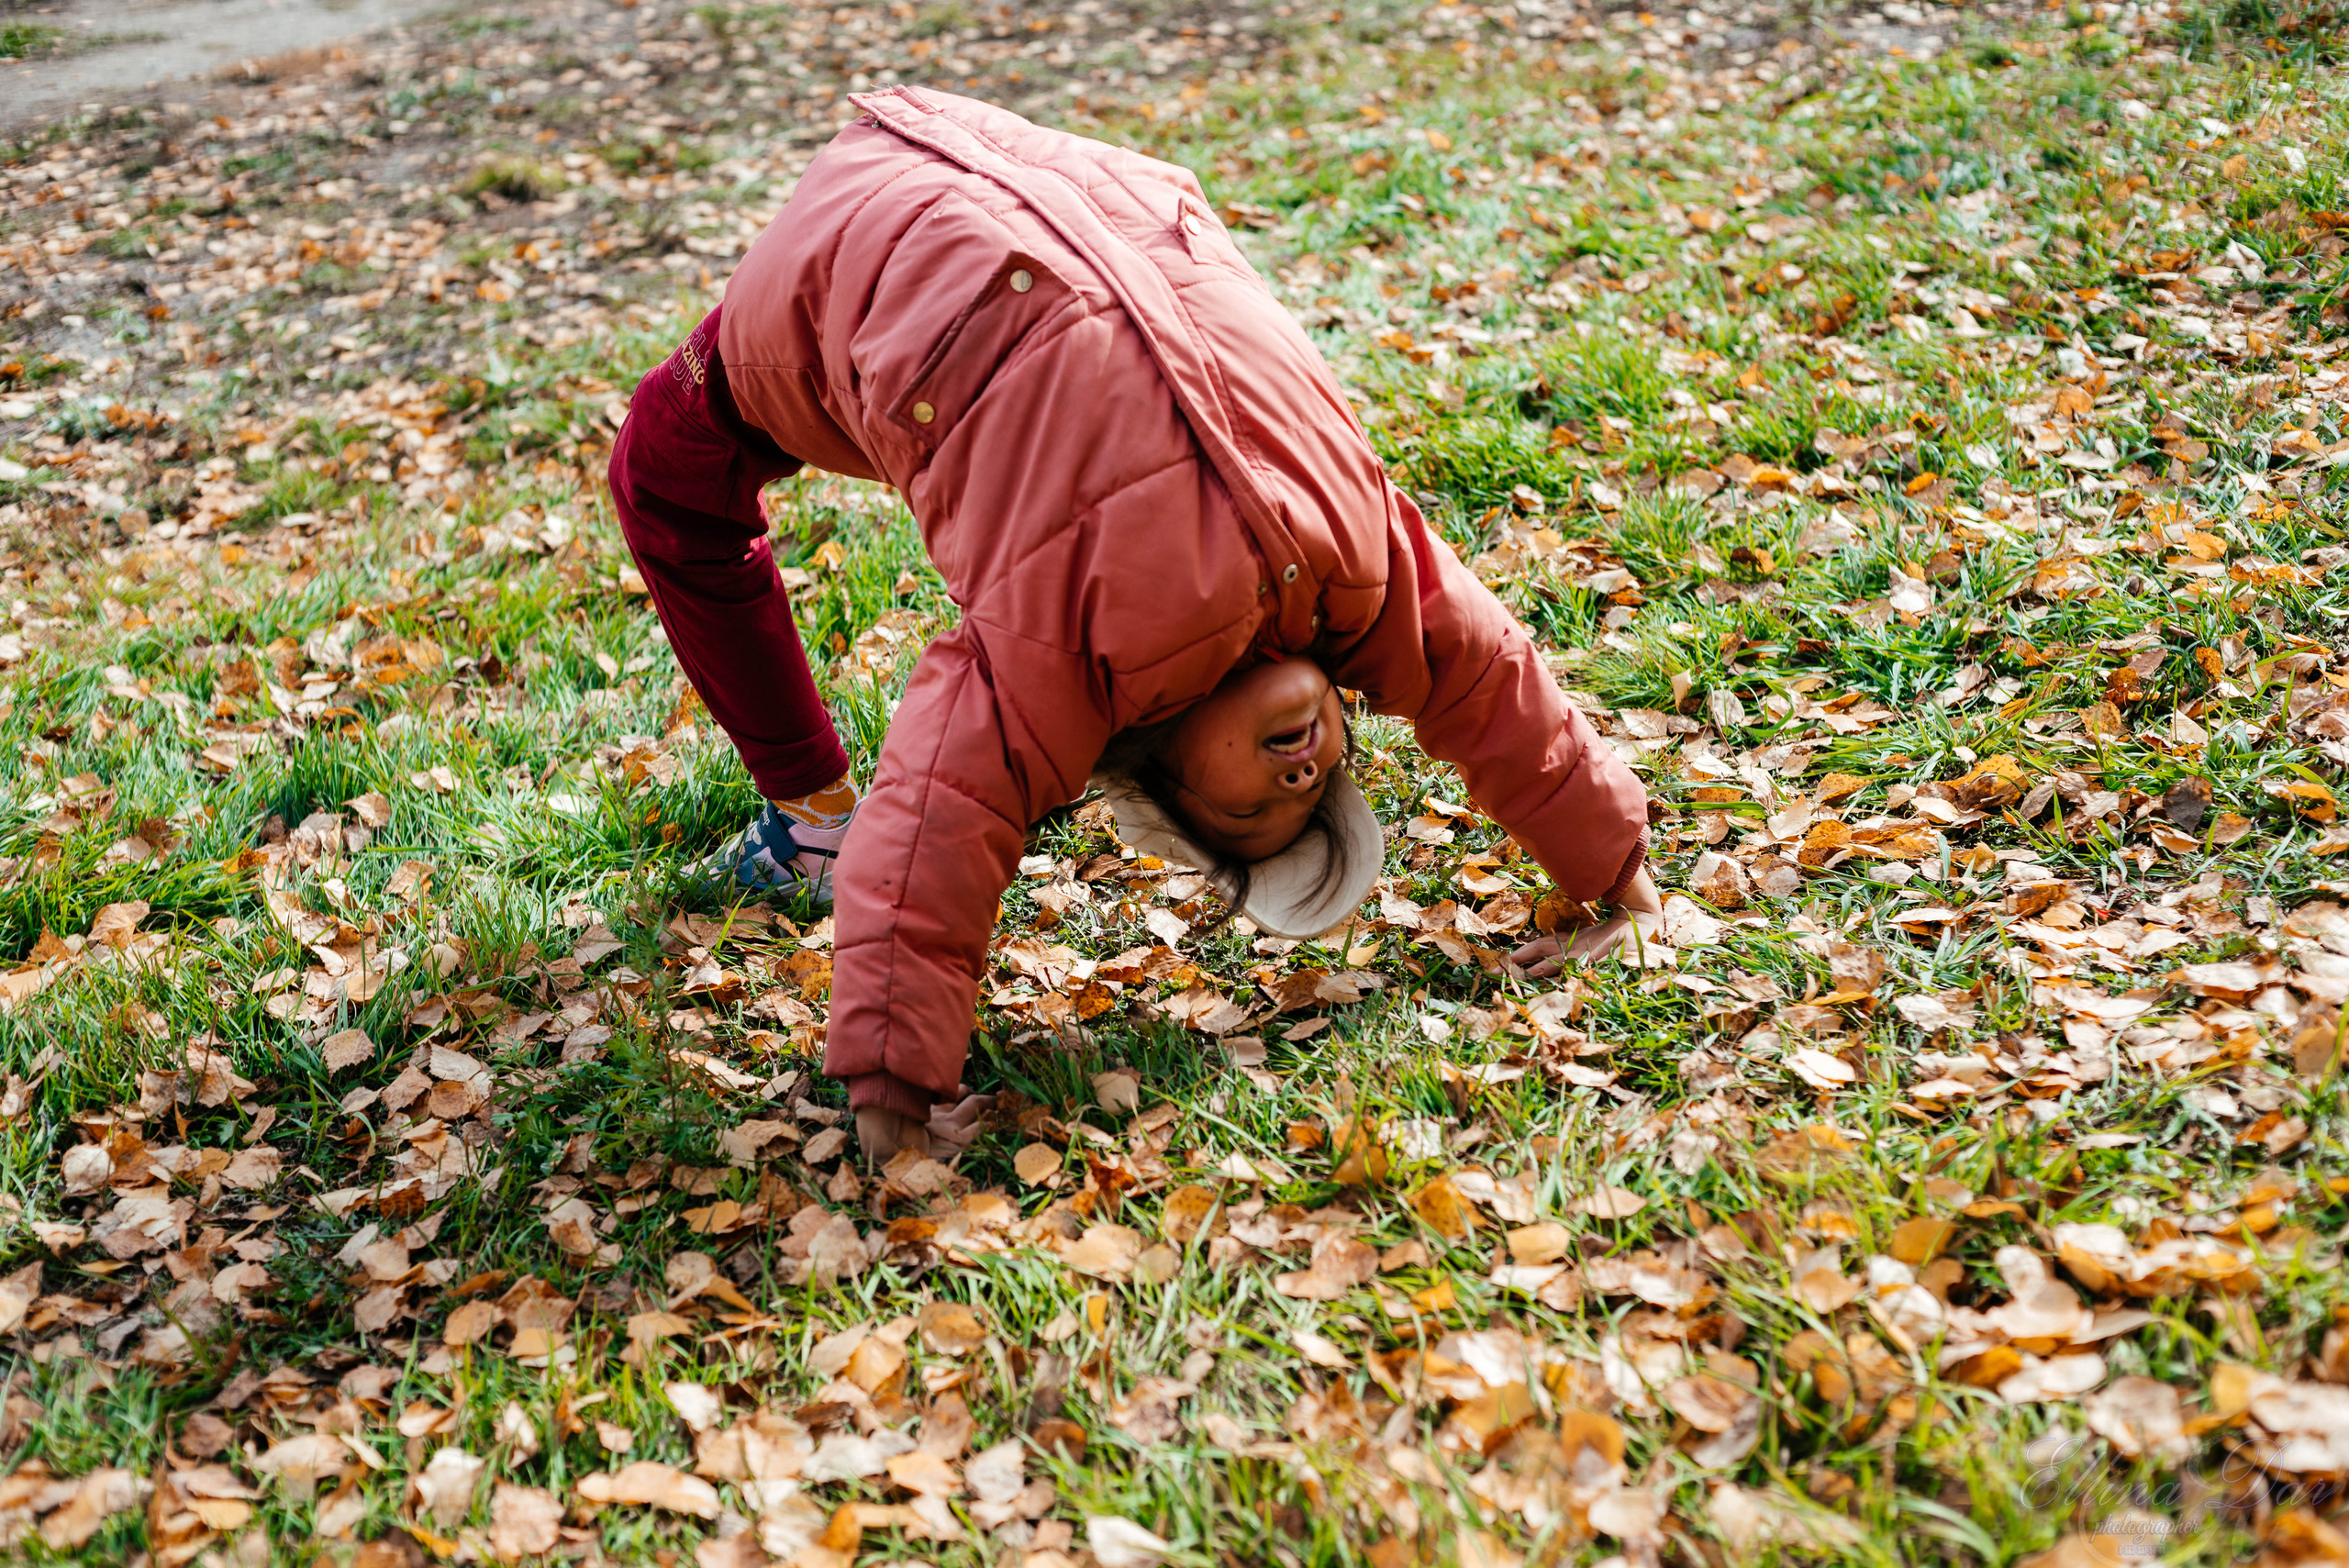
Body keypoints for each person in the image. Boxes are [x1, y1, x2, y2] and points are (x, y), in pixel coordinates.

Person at [607, 86, 1660, 1165]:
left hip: (882, 257)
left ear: (1157, 770)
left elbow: (933, 828)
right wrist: (1616, 875)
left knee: (659, 475)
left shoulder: (1071, 667)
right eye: (1323, 786)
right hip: (1081, 203)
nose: (1302, 774)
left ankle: (812, 808)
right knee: (678, 477)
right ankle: (811, 803)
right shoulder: (1348, 578)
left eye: (1256, 813)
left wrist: (891, 1089)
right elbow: (1485, 675)